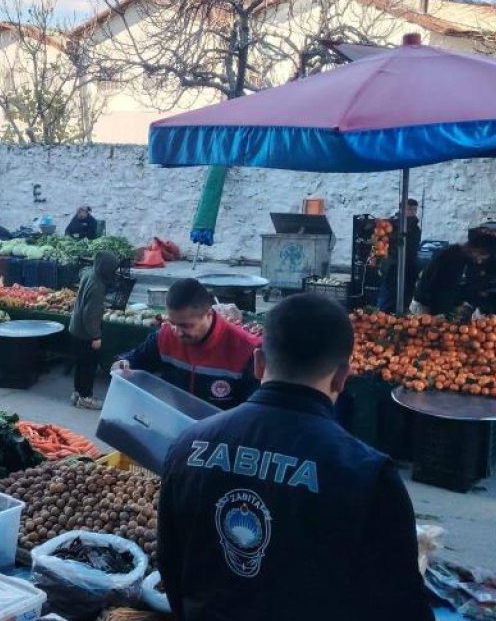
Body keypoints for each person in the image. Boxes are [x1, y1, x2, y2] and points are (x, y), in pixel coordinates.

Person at [158, 293, 433, 621]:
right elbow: (399, 601)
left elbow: (171, 566)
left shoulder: (188, 446)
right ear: (343, 376)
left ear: (258, 363)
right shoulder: (367, 474)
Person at [114, 278, 260, 409]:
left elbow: (253, 411)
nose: (177, 332)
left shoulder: (246, 350)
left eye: (186, 326)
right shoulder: (165, 337)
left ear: (208, 315)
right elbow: (137, 359)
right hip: (178, 423)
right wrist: (124, 363)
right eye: (172, 323)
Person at [68, 251, 119, 410]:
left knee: (80, 364)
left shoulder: (89, 273)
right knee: (88, 366)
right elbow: (90, 315)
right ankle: (86, 397)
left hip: (75, 328)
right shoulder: (98, 286)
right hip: (86, 333)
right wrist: (95, 336)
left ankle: (77, 393)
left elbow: (81, 272)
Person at [411, 236, 491, 315]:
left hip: (430, 302)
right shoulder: (454, 260)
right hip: (426, 306)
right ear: (474, 250)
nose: (479, 261)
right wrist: (456, 307)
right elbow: (444, 289)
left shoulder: (456, 254)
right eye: (480, 257)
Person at [379, 198, 422, 312]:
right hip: (394, 264)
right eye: (409, 209)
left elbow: (413, 247)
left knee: (407, 295)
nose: (412, 212)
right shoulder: (392, 225)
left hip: (410, 265)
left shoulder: (415, 227)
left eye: (414, 209)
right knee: (391, 295)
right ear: (401, 209)